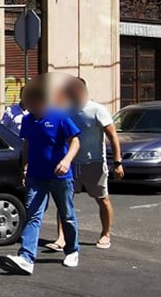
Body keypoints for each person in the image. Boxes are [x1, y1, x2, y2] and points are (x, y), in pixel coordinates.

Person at [6, 80, 81, 275]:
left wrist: (66, 160)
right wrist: (24, 167)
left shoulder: (59, 116)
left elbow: (75, 141)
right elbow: (27, 144)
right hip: (35, 176)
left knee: (67, 215)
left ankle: (72, 250)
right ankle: (27, 257)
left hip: (60, 177)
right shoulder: (28, 120)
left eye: (29, 101)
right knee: (33, 216)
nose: (26, 105)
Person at [46, 78, 123, 251]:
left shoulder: (97, 109)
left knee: (102, 200)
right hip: (71, 164)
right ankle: (61, 238)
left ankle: (105, 234)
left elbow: (112, 136)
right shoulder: (65, 110)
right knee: (64, 200)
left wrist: (117, 162)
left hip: (94, 163)